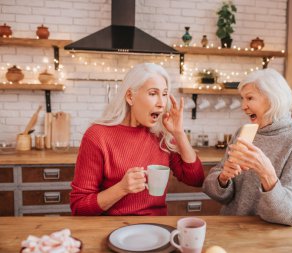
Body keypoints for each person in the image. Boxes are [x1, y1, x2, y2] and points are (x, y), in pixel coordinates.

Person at [70, 63, 204, 216]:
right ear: (130, 96)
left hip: (155, 229)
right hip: (113, 230)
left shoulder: (161, 135)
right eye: (153, 93)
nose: (161, 103)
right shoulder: (97, 136)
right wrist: (121, 188)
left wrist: (179, 133)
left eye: (165, 94)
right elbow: (79, 207)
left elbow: (196, 179)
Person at [203, 68, 292, 226]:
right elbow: (217, 192)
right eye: (242, 99)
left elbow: (290, 215)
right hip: (232, 228)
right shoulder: (243, 132)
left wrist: (267, 175)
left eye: (249, 98)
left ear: (271, 99)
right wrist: (223, 179)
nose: (243, 106)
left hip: (268, 238)